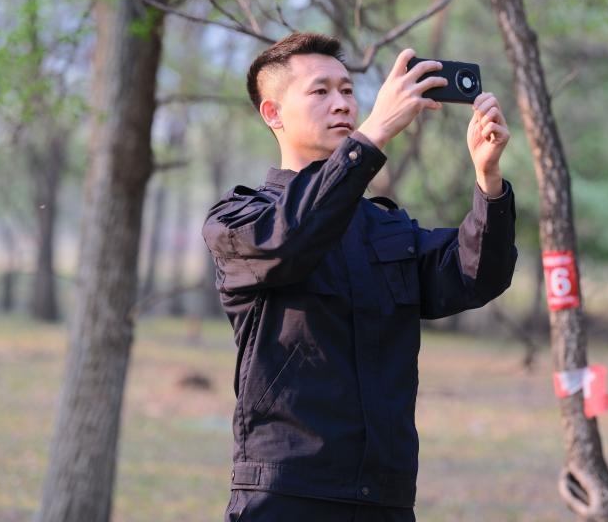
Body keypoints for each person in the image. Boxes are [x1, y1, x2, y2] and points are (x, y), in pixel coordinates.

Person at [202, 31, 518, 521]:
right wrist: (371, 138)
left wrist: (488, 182)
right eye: (320, 91)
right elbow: (292, 240)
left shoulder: (387, 227)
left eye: (348, 90)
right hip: (288, 493)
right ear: (273, 113)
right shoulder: (240, 220)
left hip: (384, 496)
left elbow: (476, 275)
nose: (341, 103)